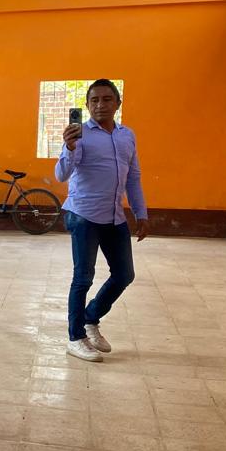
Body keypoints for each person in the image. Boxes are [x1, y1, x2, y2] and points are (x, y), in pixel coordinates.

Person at [56, 78, 148, 362]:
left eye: (107, 99)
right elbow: (61, 174)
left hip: (114, 216)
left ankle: (90, 318)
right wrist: (69, 148)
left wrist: (141, 212)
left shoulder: (126, 136)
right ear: (87, 105)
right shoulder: (80, 135)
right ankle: (75, 338)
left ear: (118, 103)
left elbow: (133, 177)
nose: (100, 105)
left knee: (124, 274)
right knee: (83, 277)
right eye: (94, 100)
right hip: (83, 215)